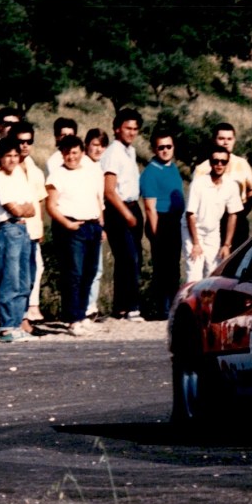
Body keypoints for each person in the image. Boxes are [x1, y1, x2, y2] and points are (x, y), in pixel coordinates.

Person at [46, 134, 104, 336]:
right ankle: (72, 318)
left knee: (90, 271)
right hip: (72, 227)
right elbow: (51, 206)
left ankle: (82, 314)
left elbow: (96, 198)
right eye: (67, 153)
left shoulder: (89, 172)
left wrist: (100, 222)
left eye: (75, 152)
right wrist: (68, 224)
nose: (71, 157)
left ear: (81, 152)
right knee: (74, 273)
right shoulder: (57, 176)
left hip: (92, 225)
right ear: (61, 154)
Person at [0, 137, 37, 343]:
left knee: (24, 280)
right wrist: (21, 207)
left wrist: (22, 208)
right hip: (7, 229)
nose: (13, 160)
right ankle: (7, 325)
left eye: (16, 155)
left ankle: (17, 323)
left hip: (23, 229)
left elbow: (32, 208)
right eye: (8, 156)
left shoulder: (18, 176)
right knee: (10, 279)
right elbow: (14, 209)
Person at [101, 108, 145, 321]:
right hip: (118, 208)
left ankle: (121, 306)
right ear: (117, 129)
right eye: (128, 128)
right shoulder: (113, 153)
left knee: (132, 258)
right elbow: (109, 190)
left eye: (135, 129)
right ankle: (132, 307)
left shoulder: (131, 151)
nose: (131, 132)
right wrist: (126, 214)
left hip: (132, 204)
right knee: (129, 258)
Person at [140, 130, 186, 319]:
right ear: (154, 149)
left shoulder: (172, 167)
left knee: (173, 267)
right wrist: (156, 234)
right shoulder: (150, 172)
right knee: (162, 268)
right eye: (161, 147)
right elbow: (150, 208)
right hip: (160, 221)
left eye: (169, 146)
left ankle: (173, 307)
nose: (165, 151)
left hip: (175, 221)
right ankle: (162, 309)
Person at [9, 122, 48, 329]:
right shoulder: (7, 169)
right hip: (14, 229)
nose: (24, 146)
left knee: (30, 276)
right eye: (20, 141)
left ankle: (25, 317)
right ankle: (15, 319)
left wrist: (39, 229)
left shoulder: (36, 171)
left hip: (32, 230)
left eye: (28, 142)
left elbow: (39, 202)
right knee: (14, 276)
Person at [190, 122, 252, 246]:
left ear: (234, 140)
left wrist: (242, 211)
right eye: (221, 138)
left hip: (237, 219)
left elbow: (251, 190)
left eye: (229, 139)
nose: (226, 142)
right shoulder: (202, 168)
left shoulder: (242, 164)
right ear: (214, 140)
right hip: (211, 220)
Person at [185, 148, 242, 283]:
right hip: (193, 230)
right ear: (210, 163)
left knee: (213, 272)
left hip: (212, 231)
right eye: (216, 161)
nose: (219, 165)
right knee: (194, 273)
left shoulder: (231, 186)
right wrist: (196, 243)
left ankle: (207, 303)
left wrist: (226, 245)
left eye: (223, 161)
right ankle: (187, 302)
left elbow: (233, 215)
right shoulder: (198, 184)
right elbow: (190, 215)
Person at [83, 128, 109, 320]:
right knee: (85, 268)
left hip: (96, 220)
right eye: (95, 145)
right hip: (84, 221)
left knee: (96, 268)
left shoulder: (98, 167)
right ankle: (84, 307)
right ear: (87, 145)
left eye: (102, 146)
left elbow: (99, 199)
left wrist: (102, 224)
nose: (98, 149)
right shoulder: (84, 165)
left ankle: (91, 306)